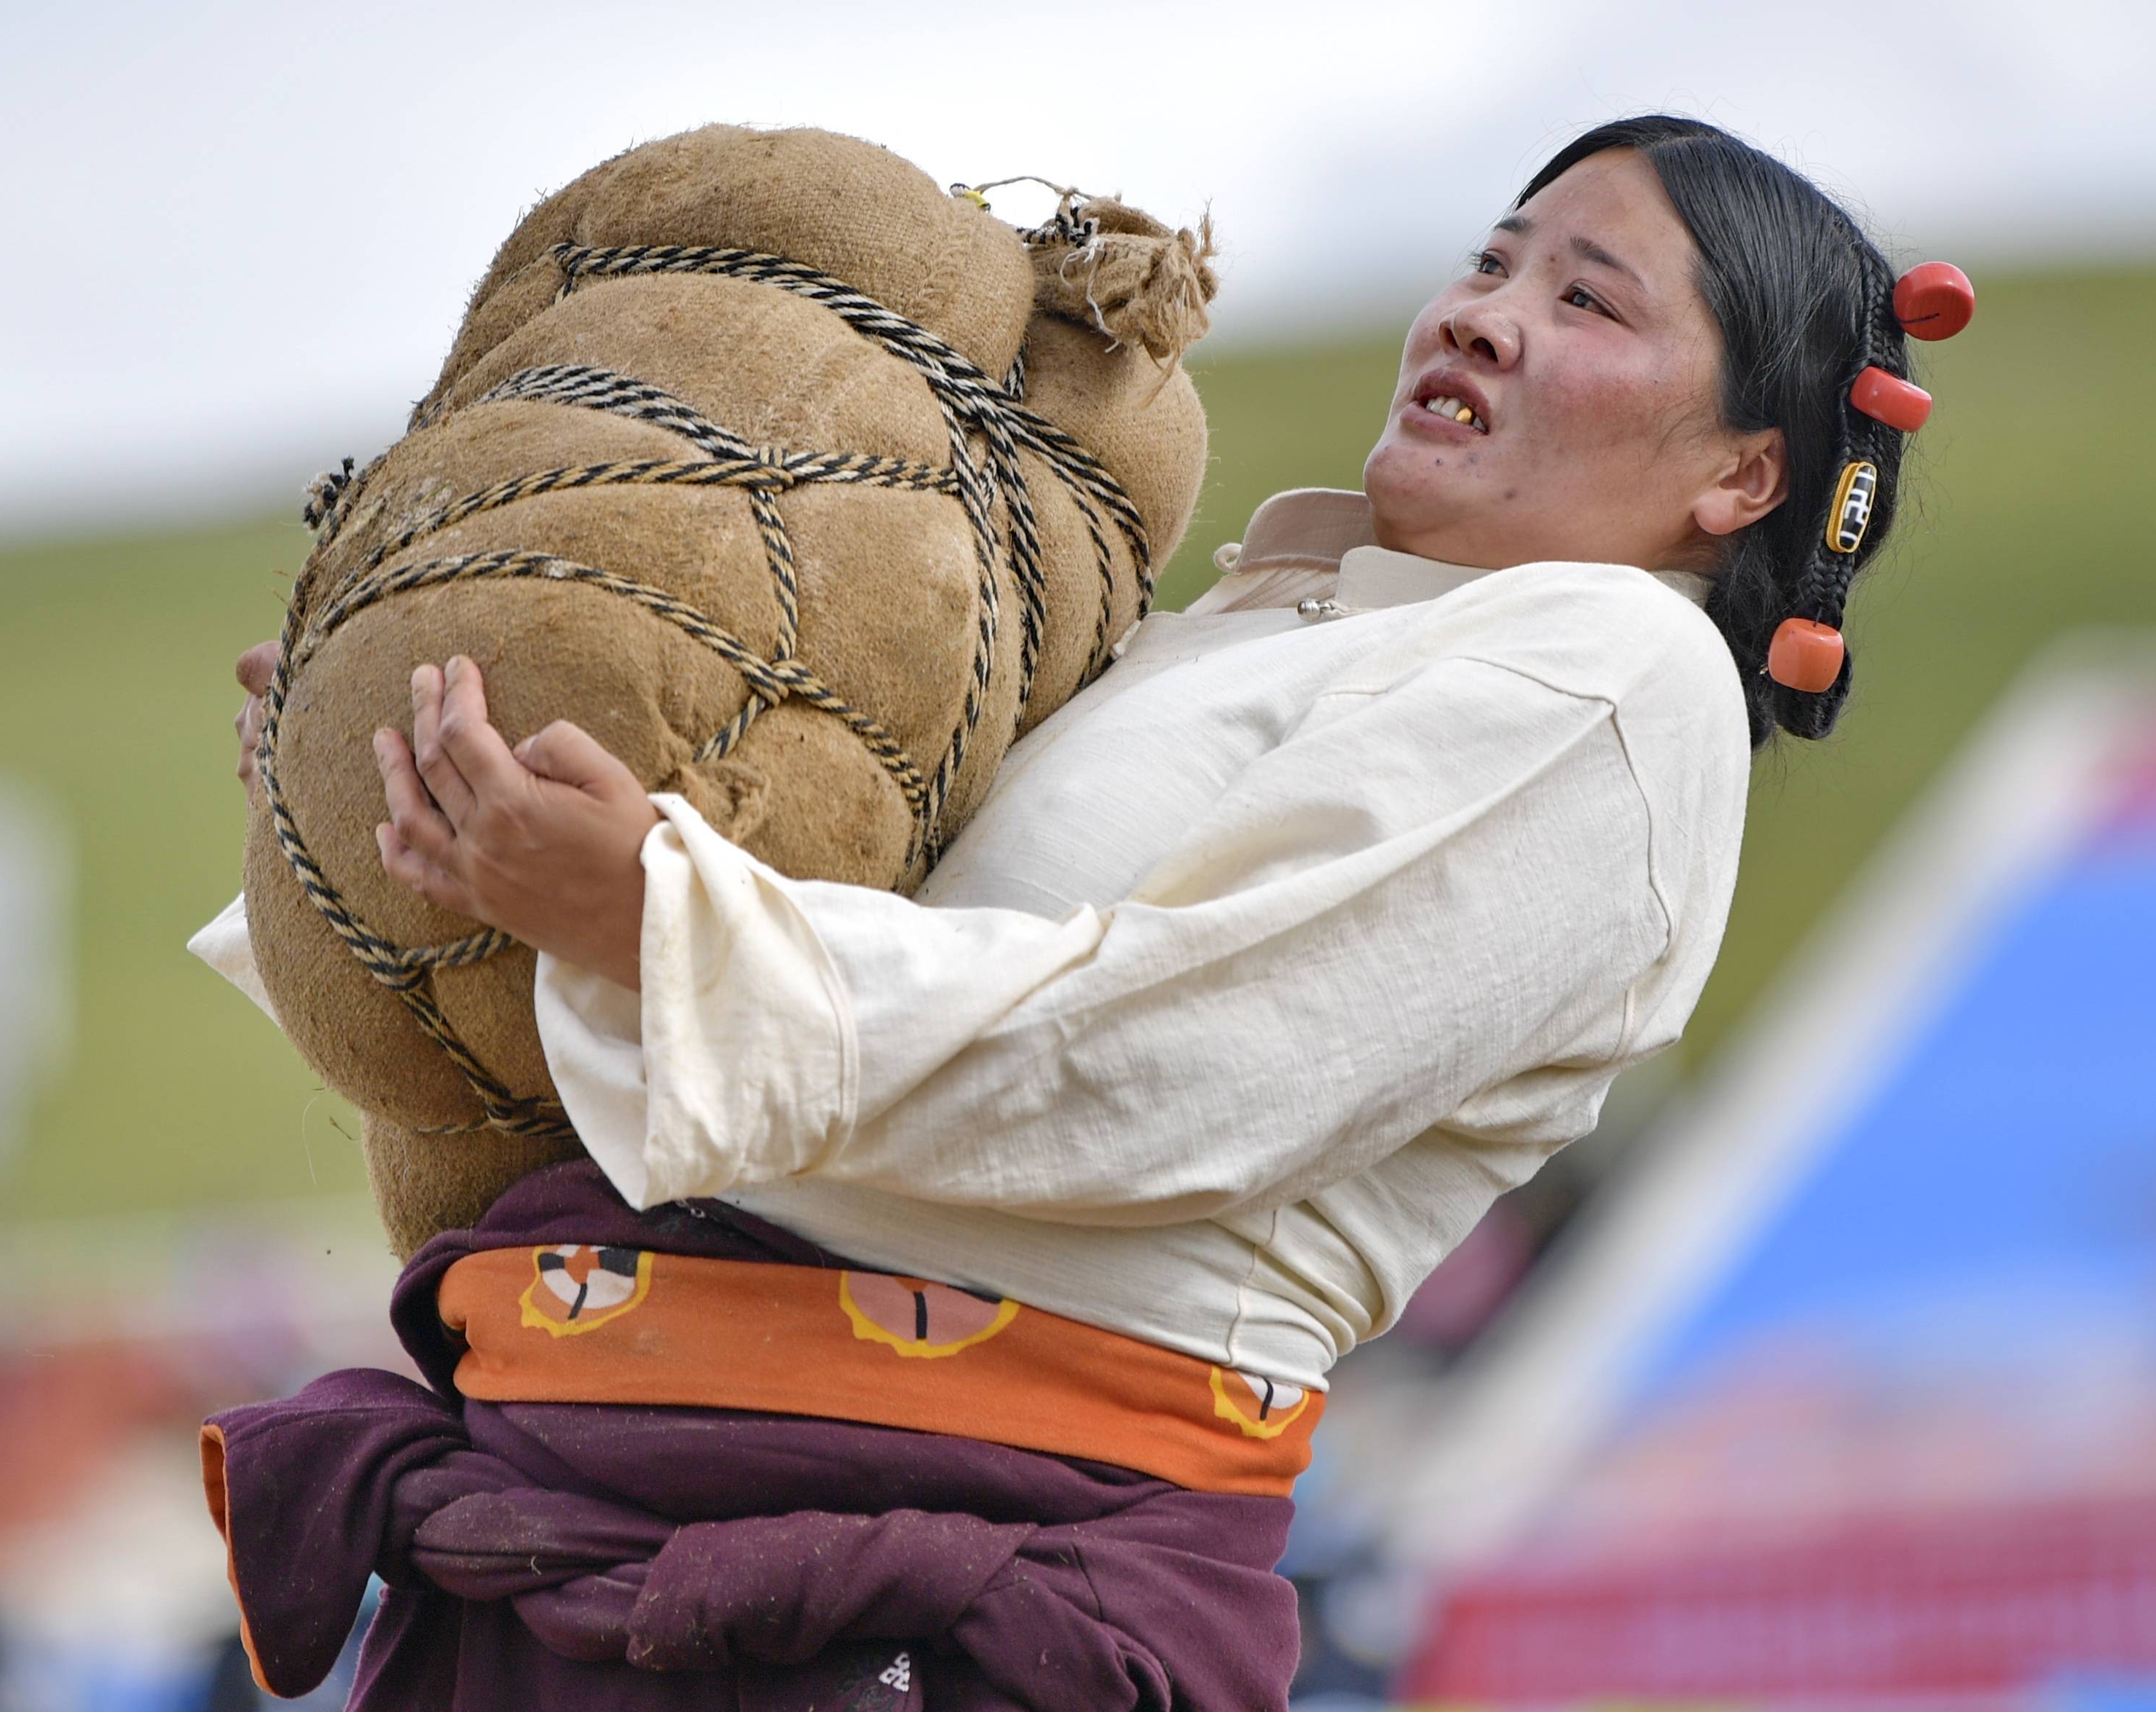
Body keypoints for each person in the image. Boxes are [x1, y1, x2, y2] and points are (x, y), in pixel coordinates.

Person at [198, 116, 1957, 1709]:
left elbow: (1178, 1061)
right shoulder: (1249, 634)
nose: (1484, 312)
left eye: (1589, 299)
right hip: (619, 1514)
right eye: (1491, 258)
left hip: (909, 1594)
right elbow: (816, 960)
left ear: (1742, 477)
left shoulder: (1617, 674)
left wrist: (648, 913)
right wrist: (416, 827)